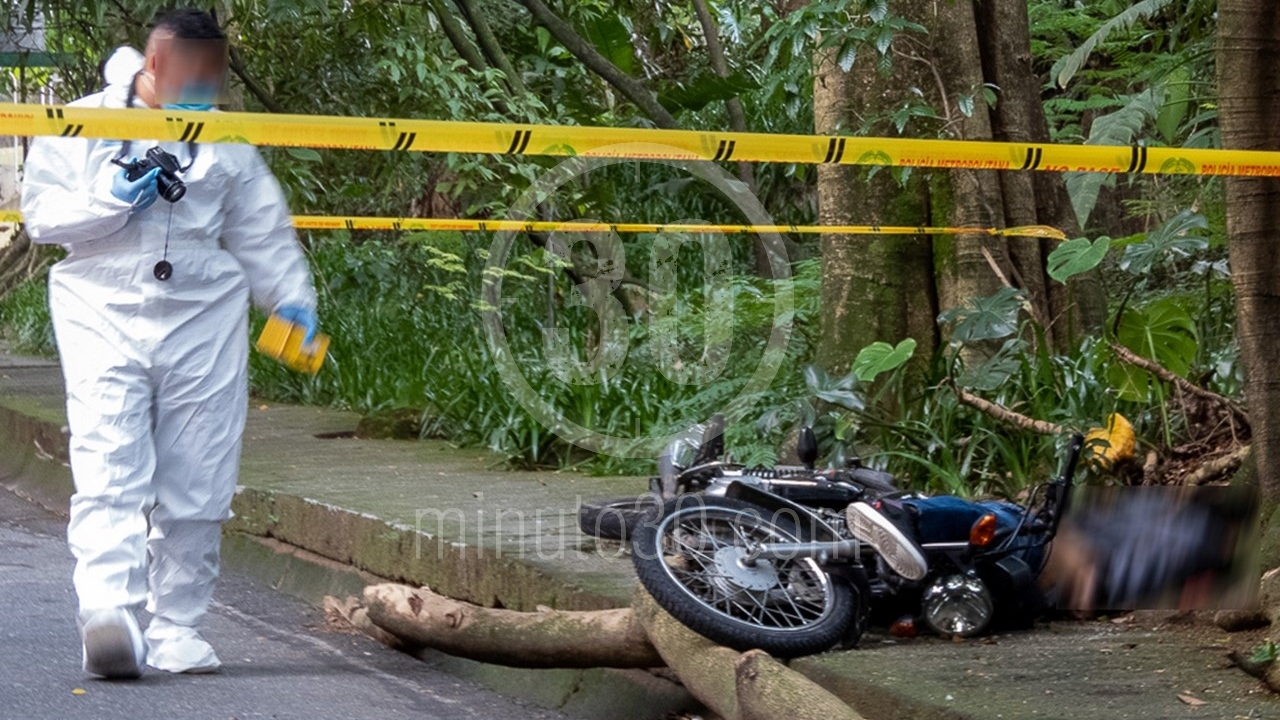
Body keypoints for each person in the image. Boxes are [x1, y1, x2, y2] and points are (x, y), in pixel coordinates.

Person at [20, 9, 318, 678]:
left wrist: (291, 299)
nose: (206, 87)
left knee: (200, 469)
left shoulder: (227, 139)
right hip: (101, 298)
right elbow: (41, 216)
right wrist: (112, 198)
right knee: (110, 461)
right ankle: (110, 616)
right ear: (154, 66)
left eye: (215, 76)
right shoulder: (83, 121)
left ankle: (178, 623)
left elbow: (261, 227)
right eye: (194, 74)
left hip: (204, 307)